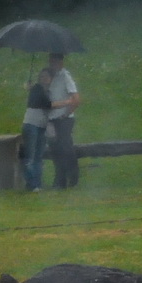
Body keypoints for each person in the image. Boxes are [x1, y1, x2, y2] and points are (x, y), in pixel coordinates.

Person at [43, 52, 81, 189]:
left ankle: (73, 174)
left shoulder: (65, 76)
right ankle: (60, 180)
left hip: (63, 119)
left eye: (54, 62)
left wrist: (66, 114)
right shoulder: (49, 76)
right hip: (51, 119)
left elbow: (76, 99)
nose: (52, 64)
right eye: (50, 62)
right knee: (55, 149)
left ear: (60, 62)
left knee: (65, 146)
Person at [21, 68, 52, 192]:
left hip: (41, 126)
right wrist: (67, 102)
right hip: (31, 125)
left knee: (39, 156)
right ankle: (32, 184)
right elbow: (47, 104)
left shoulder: (49, 91)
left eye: (47, 76)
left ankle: (37, 184)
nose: (44, 79)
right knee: (30, 156)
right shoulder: (37, 89)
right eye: (42, 76)